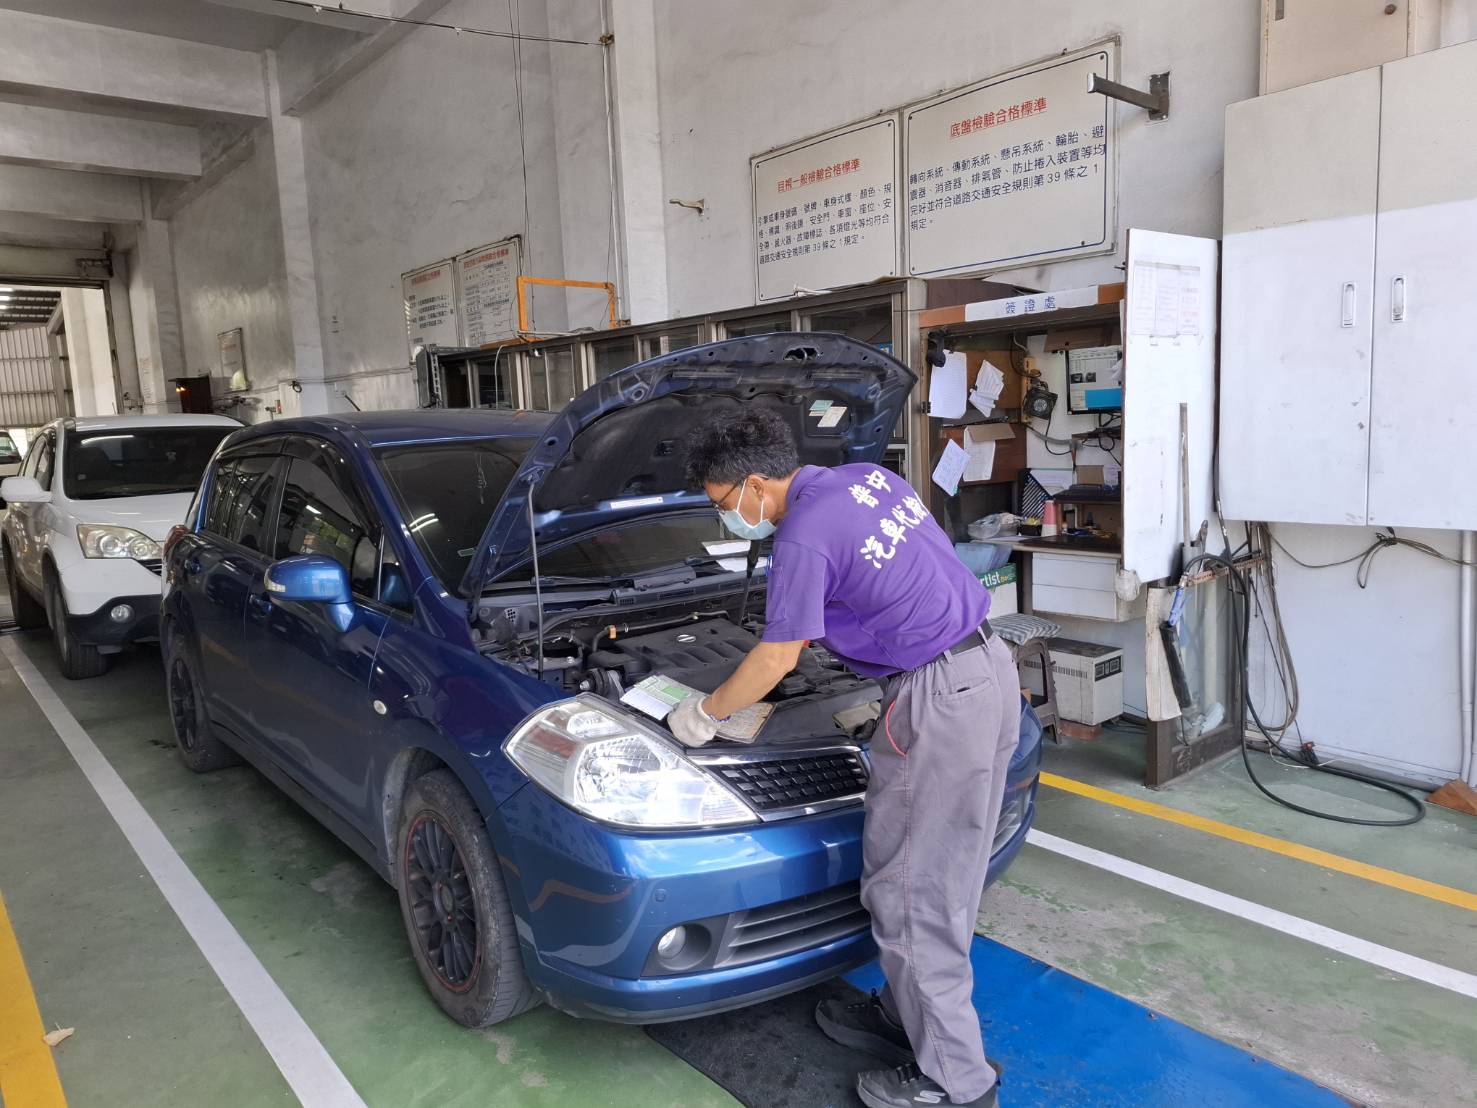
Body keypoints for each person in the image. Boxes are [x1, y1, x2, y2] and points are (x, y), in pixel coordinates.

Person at [670, 407, 1020, 1108]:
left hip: (935, 699)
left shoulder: (800, 535)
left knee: (914, 895)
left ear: (756, 485)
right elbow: (895, 576)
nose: (727, 520)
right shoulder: (866, 479)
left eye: (723, 505)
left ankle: (957, 1084)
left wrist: (702, 714)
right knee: (939, 870)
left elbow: (775, 655)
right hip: (984, 668)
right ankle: (903, 1017)